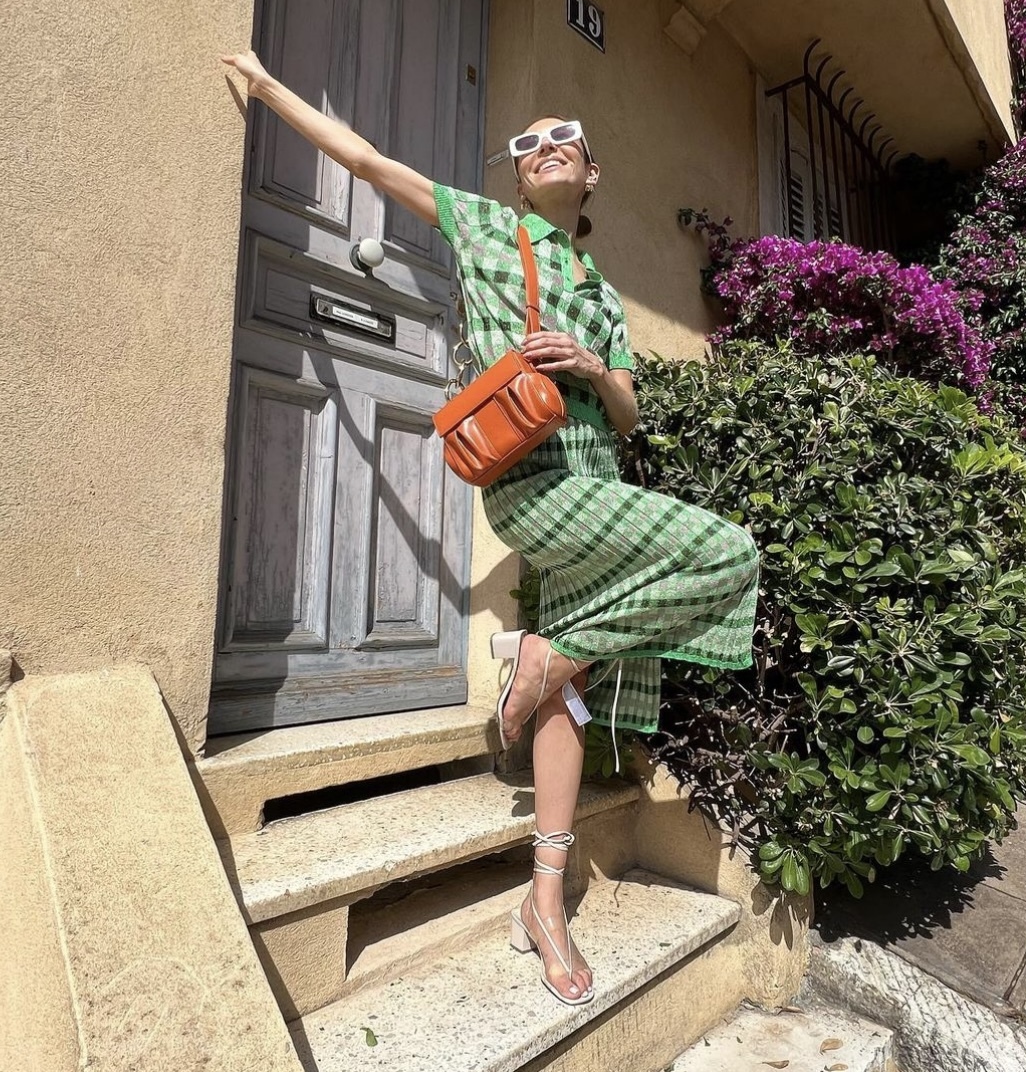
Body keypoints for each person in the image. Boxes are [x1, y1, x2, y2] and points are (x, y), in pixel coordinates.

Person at [219, 50, 760, 1007]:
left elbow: (630, 414)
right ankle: (545, 656)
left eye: (566, 140)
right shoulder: (485, 228)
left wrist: (589, 364)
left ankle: (543, 900)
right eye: (528, 143)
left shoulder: (601, 291)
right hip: (530, 477)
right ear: (517, 178)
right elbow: (369, 163)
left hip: (598, 475)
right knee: (728, 550)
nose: (545, 147)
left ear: (591, 174)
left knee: (567, 700)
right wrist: (268, 89)